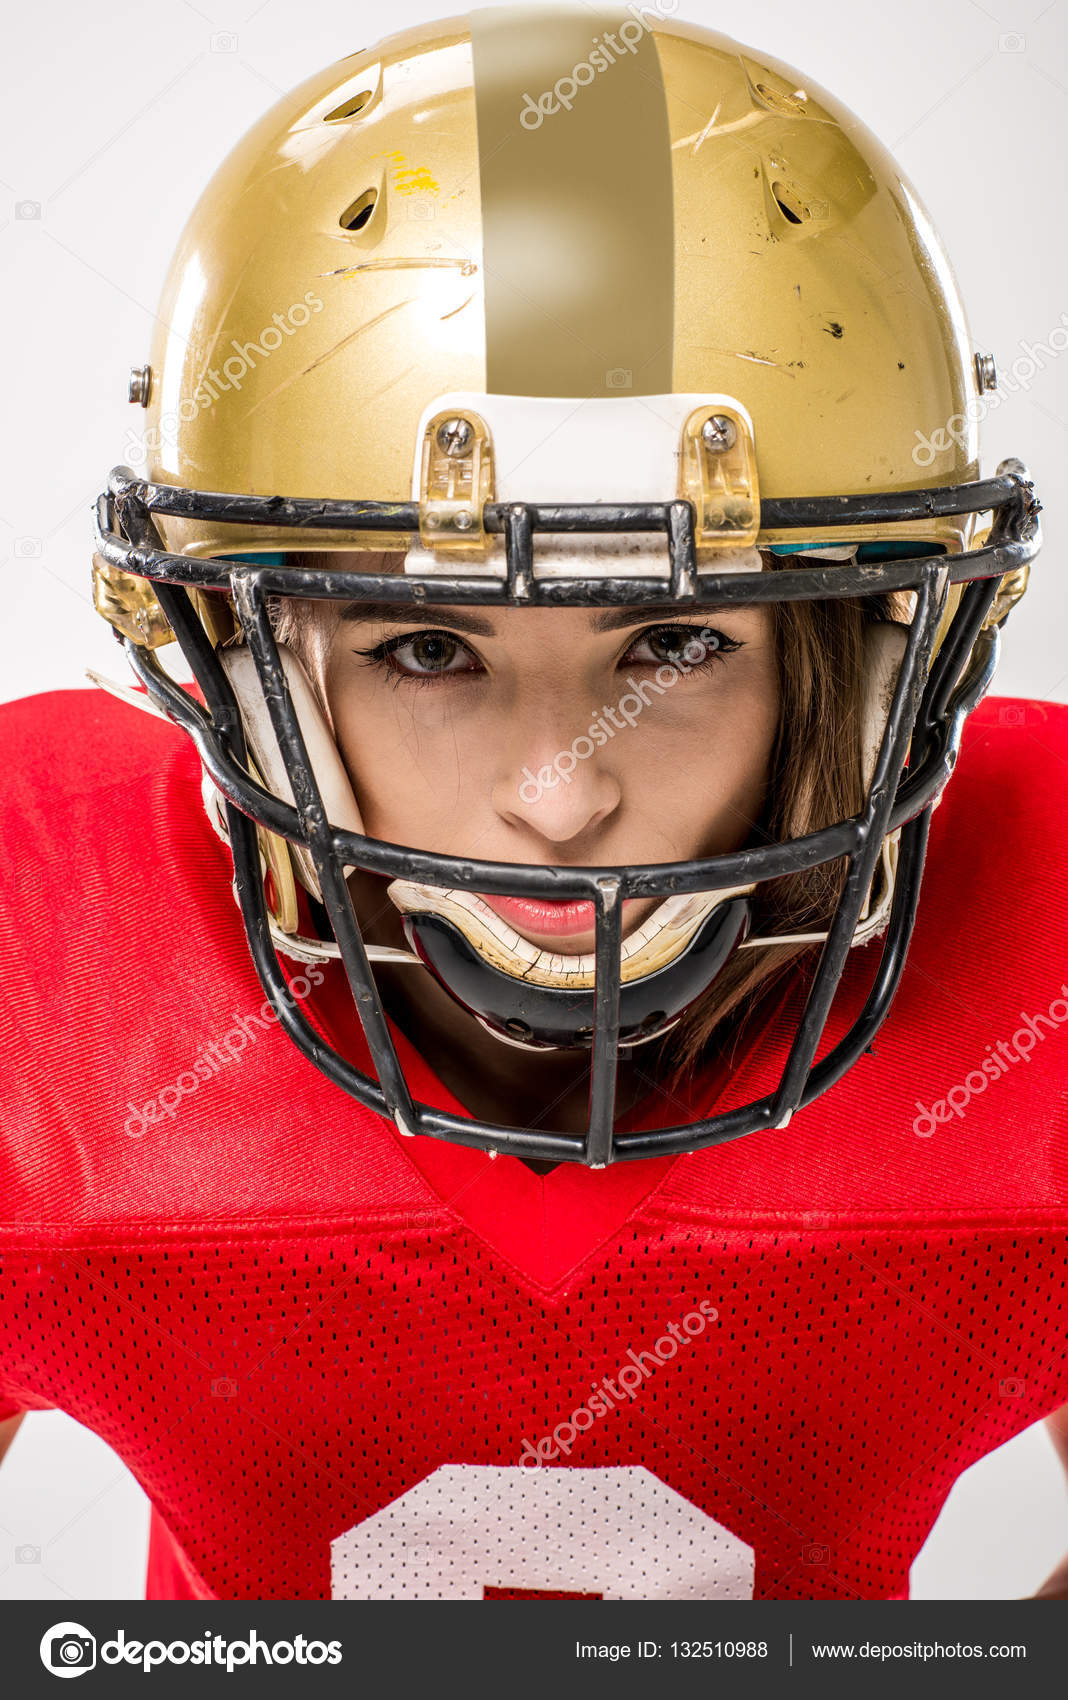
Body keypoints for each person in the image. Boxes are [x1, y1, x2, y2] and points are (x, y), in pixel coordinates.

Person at [1, 6, 1064, 1602]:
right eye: (430, 648)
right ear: (257, 660)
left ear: (845, 659)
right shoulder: (47, 954)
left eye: (677, 639)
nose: (561, 797)